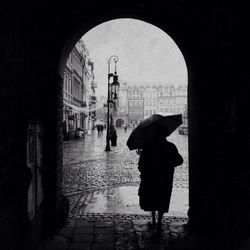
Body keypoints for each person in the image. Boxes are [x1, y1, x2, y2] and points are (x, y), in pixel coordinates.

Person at [138, 124, 183, 232]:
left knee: (152, 197)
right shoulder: (170, 146)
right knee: (163, 198)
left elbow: (141, 163)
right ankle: (159, 221)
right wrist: (169, 163)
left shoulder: (148, 146)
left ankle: (153, 218)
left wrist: (144, 172)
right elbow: (179, 160)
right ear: (166, 134)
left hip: (151, 177)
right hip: (165, 177)